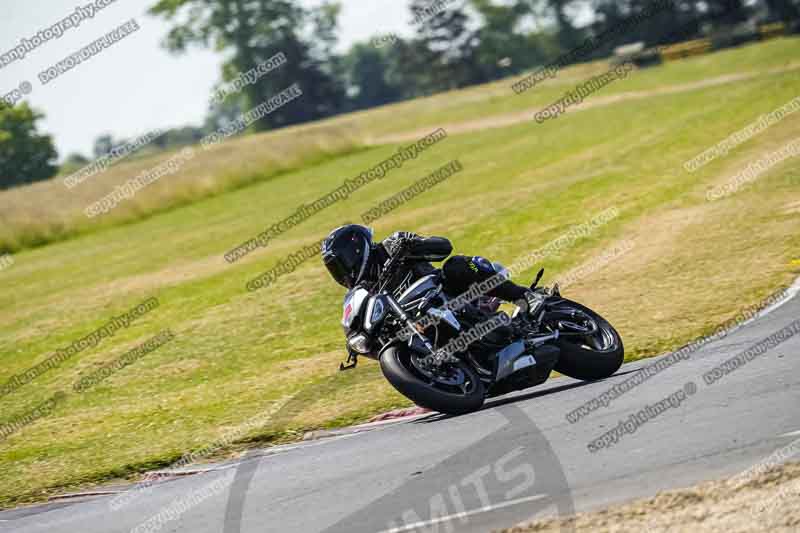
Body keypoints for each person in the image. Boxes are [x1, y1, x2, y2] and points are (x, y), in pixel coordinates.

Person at [320, 224, 545, 320]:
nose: (340, 273)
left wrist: (412, 244)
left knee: (455, 265)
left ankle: (525, 297)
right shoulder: (360, 293)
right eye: (334, 269)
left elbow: (444, 246)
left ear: (355, 250)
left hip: (448, 294)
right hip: (419, 322)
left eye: (341, 264)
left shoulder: (391, 246)